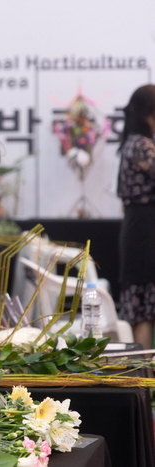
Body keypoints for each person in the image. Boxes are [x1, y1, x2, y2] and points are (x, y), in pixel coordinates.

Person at [117, 84, 155, 350]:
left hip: (141, 228)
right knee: (143, 309)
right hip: (145, 232)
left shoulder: (135, 142)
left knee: (142, 306)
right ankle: (145, 380)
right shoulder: (142, 145)